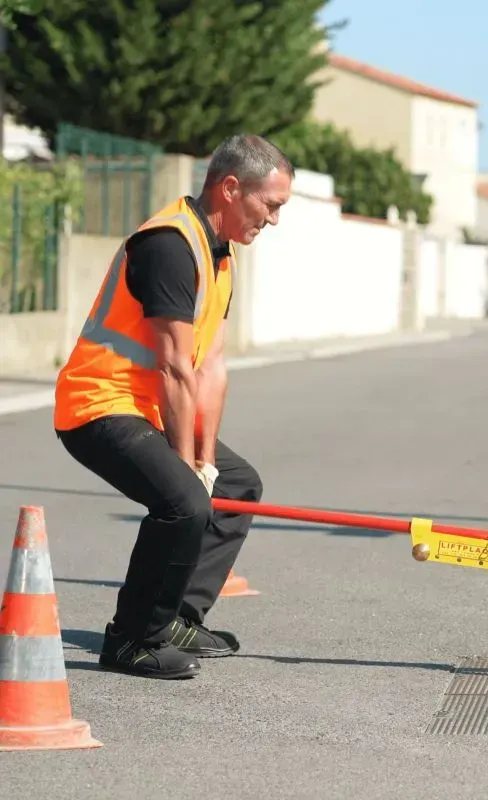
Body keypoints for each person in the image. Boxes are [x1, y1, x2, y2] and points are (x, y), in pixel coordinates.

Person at [53, 134, 295, 680]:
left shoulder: (220, 255)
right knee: (185, 501)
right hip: (99, 404)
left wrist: (206, 460)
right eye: (271, 205)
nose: (274, 219)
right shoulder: (168, 244)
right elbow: (172, 367)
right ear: (231, 189)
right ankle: (132, 639)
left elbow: (211, 366)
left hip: (148, 408)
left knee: (235, 486)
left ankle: (179, 616)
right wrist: (188, 469)